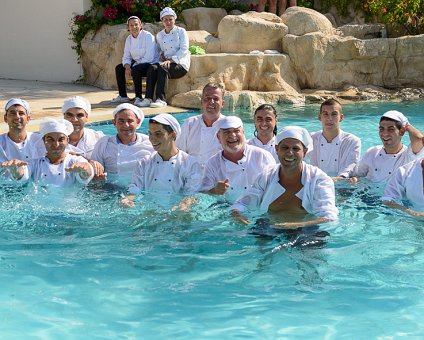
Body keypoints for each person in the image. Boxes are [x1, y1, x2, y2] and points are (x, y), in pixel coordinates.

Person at [232, 126, 338, 228]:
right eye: (285, 148)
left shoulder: (319, 180)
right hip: (268, 227)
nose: (290, 153)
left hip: (306, 231)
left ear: (304, 152)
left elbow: (329, 218)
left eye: (295, 148)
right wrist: (237, 214)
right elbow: (243, 202)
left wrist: (293, 226)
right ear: (277, 149)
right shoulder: (267, 175)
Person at [121, 113, 202, 208]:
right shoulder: (143, 163)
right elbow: (135, 188)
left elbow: (191, 194)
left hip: (176, 214)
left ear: (173, 135)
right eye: (150, 133)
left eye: (158, 134)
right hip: (149, 212)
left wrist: (183, 207)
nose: (152, 139)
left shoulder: (190, 163)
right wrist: (127, 199)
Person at [201, 116, 276, 203]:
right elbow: (202, 191)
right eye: (226, 132)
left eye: (236, 131)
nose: (232, 135)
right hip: (227, 210)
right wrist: (214, 190)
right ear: (218, 137)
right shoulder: (213, 163)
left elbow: (275, 187)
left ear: (243, 133)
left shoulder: (263, 156)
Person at [0, 118, 94, 186]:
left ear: (67, 140)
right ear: (43, 141)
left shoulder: (75, 162)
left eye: (61, 139)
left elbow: (85, 176)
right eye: (50, 139)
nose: (56, 144)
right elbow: (23, 175)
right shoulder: (35, 163)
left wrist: (86, 171)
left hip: (72, 211)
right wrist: (16, 170)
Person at [351, 110, 424, 183]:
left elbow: (419, 138)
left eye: (391, 129)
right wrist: (354, 180)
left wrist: (406, 124)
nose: (385, 134)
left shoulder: (409, 156)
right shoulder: (372, 152)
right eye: (381, 129)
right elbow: (357, 174)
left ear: (401, 131)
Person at [138, 7, 190, 108]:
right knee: (152, 68)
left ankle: (161, 99)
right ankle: (148, 98)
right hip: (165, 62)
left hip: (180, 64)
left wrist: (170, 60)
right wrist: (161, 56)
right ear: (162, 21)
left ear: (174, 20)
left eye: (170, 19)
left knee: (162, 68)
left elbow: (184, 49)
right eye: (165, 19)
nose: (168, 22)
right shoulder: (160, 35)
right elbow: (159, 50)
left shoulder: (181, 31)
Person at [91, 103, 154, 182]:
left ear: (138, 122)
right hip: (110, 189)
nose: (126, 125)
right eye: (121, 121)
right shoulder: (104, 144)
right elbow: (94, 173)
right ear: (114, 123)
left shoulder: (149, 143)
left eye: (130, 121)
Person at [111, 16, 159, 107]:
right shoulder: (129, 39)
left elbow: (149, 57)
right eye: (131, 25)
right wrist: (127, 66)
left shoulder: (148, 36)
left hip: (151, 64)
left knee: (136, 69)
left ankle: (138, 97)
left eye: (136, 24)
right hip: (137, 64)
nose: (134, 27)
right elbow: (126, 56)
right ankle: (123, 96)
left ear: (140, 25)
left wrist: (133, 66)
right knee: (119, 68)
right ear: (128, 28)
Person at [309, 98, 361, 181]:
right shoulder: (311, 139)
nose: (329, 118)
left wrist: (335, 180)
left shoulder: (352, 141)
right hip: (316, 183)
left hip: (342, 185)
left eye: (334, 114)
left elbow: (350, 167)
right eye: (325, 114)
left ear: (341, 117)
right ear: (319, 117)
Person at [176, 83, 226, 166]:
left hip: (218, 177)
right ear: (202, 101)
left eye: (216, 99)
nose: (211, 102)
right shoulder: (190, 124)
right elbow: (179, 154)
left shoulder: (228, 125)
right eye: (207, 98)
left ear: (222, 103)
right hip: (191, 176)